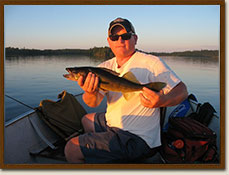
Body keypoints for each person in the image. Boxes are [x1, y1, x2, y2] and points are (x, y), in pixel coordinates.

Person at [64, 17, 188, 163]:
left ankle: (104, 152)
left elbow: (182, 91)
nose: (120, 41)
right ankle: (104, 153)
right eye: (114, 37)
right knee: (86, 120)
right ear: (109, 41)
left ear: (135, 38)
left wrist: (163, 100)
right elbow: (93, 103)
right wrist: (90, 92)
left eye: (126, 36)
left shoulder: (151, 62)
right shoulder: (105, 67)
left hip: (137, 138)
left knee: (71, 149)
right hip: (114, 125)